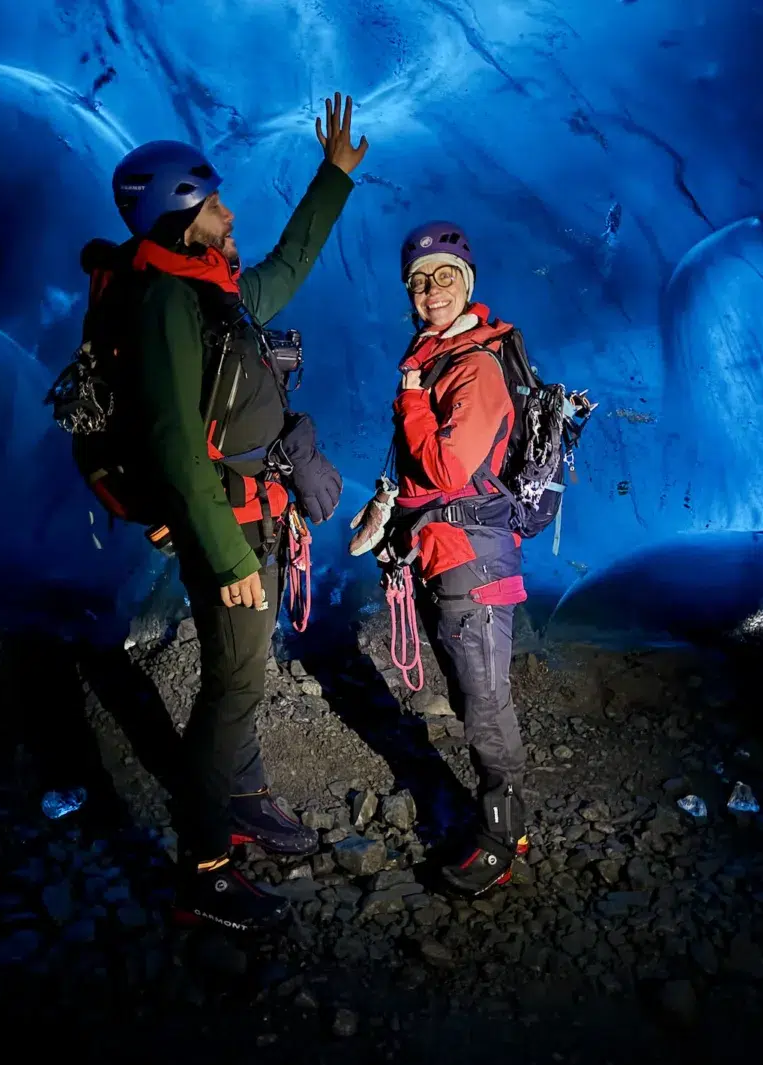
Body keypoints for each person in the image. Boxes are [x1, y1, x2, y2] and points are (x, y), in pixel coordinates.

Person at [90, 93, 368, 931]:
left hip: (253, 517)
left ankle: (241, 796)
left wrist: (334, 177)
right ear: (176, 214)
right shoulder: (165, 303)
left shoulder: (210, 291)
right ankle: (205, 868)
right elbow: (178, 445)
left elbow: (284, 267)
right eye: (213, 203)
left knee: (241, 676)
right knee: (235, 683)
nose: (229, 209)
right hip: (230, 531)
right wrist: (230, 557)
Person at [352, 222, 529, 896]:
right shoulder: (435, 356)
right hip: (445, 553)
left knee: (483, 702)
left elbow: (448, 465)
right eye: (419, 281)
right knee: (467, 694)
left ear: (468, 282)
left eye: (444, 276)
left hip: (472, 559)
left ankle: (498, 836)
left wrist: (410, 394)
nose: (431, 291)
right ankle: (497, 817)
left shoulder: (472, 366)